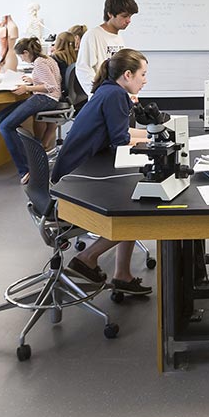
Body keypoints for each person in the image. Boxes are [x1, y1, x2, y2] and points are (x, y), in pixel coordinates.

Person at [54, 49, 152, 296]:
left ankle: (122, 275)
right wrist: (155, 140)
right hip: (76, 181)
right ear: (127, 75)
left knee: (134, 200)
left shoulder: (108, 90)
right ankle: (87, 258)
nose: (145, 80)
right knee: (136, 211)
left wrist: (154, 133)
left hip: (74, 172)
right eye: (142, 74)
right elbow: (121, 140)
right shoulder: (115, 95)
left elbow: (120, 132)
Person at [0, 37, 63, 185]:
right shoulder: (46, 59)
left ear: (26, 52)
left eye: (21, 56)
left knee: (5, 127)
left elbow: (51, 86)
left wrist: (27, 88)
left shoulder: (39, 63)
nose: (22, 59)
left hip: (46, 99)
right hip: (48, 97)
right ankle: (28, 151)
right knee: (0, 117)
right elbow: (52, 80)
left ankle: (26, 169)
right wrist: (33, 81)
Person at [76, 0, 137, 96]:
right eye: (124, 16)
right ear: (110, 14)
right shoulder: (93, 35)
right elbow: (83, 69)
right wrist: (98, 93)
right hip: (104, 96)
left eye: (130, 16)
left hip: (117, 95)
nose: (128, 21)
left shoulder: (119, 37)